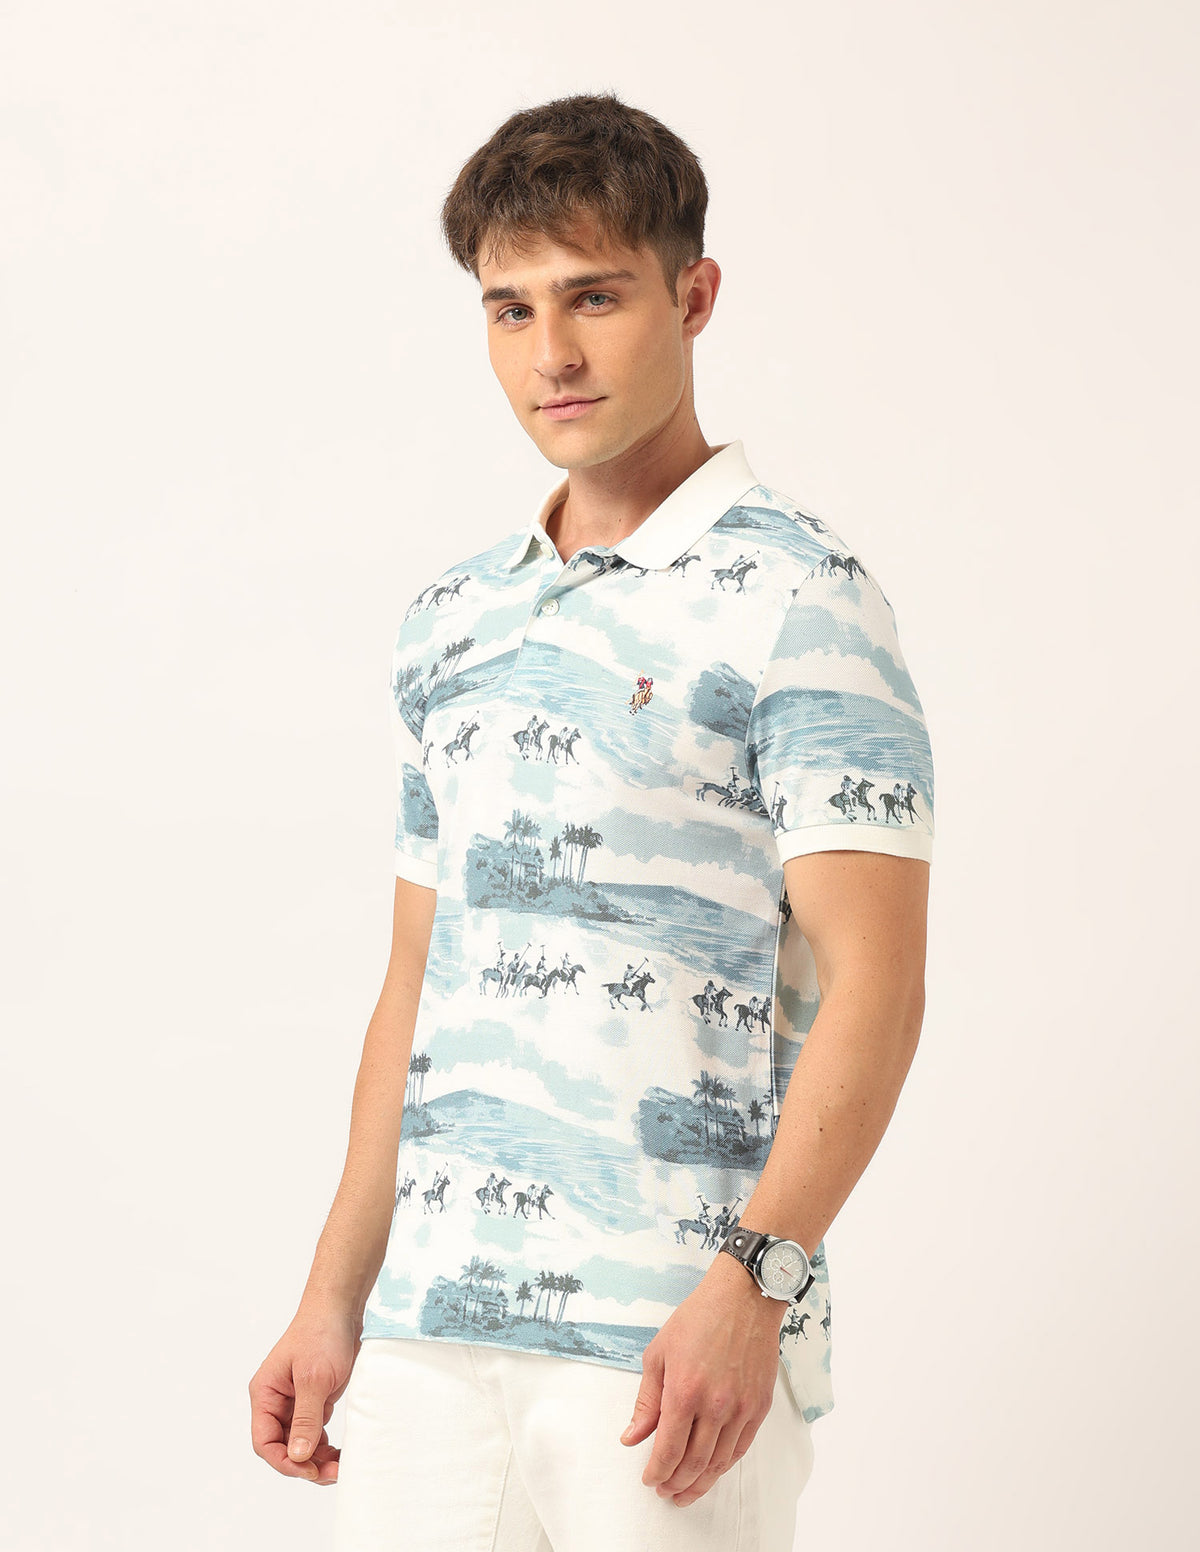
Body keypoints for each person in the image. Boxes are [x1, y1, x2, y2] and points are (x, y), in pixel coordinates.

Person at [248, 90, 934, 1552]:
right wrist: (333, 1296)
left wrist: (755, 1288)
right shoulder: (453, 618)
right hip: (429, 1341)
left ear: (695, 296)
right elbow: (415, 986)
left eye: (594, 297)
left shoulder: (804, 599)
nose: (550, 353)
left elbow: (877, 984)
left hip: (669, 1347)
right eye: (511, 310)